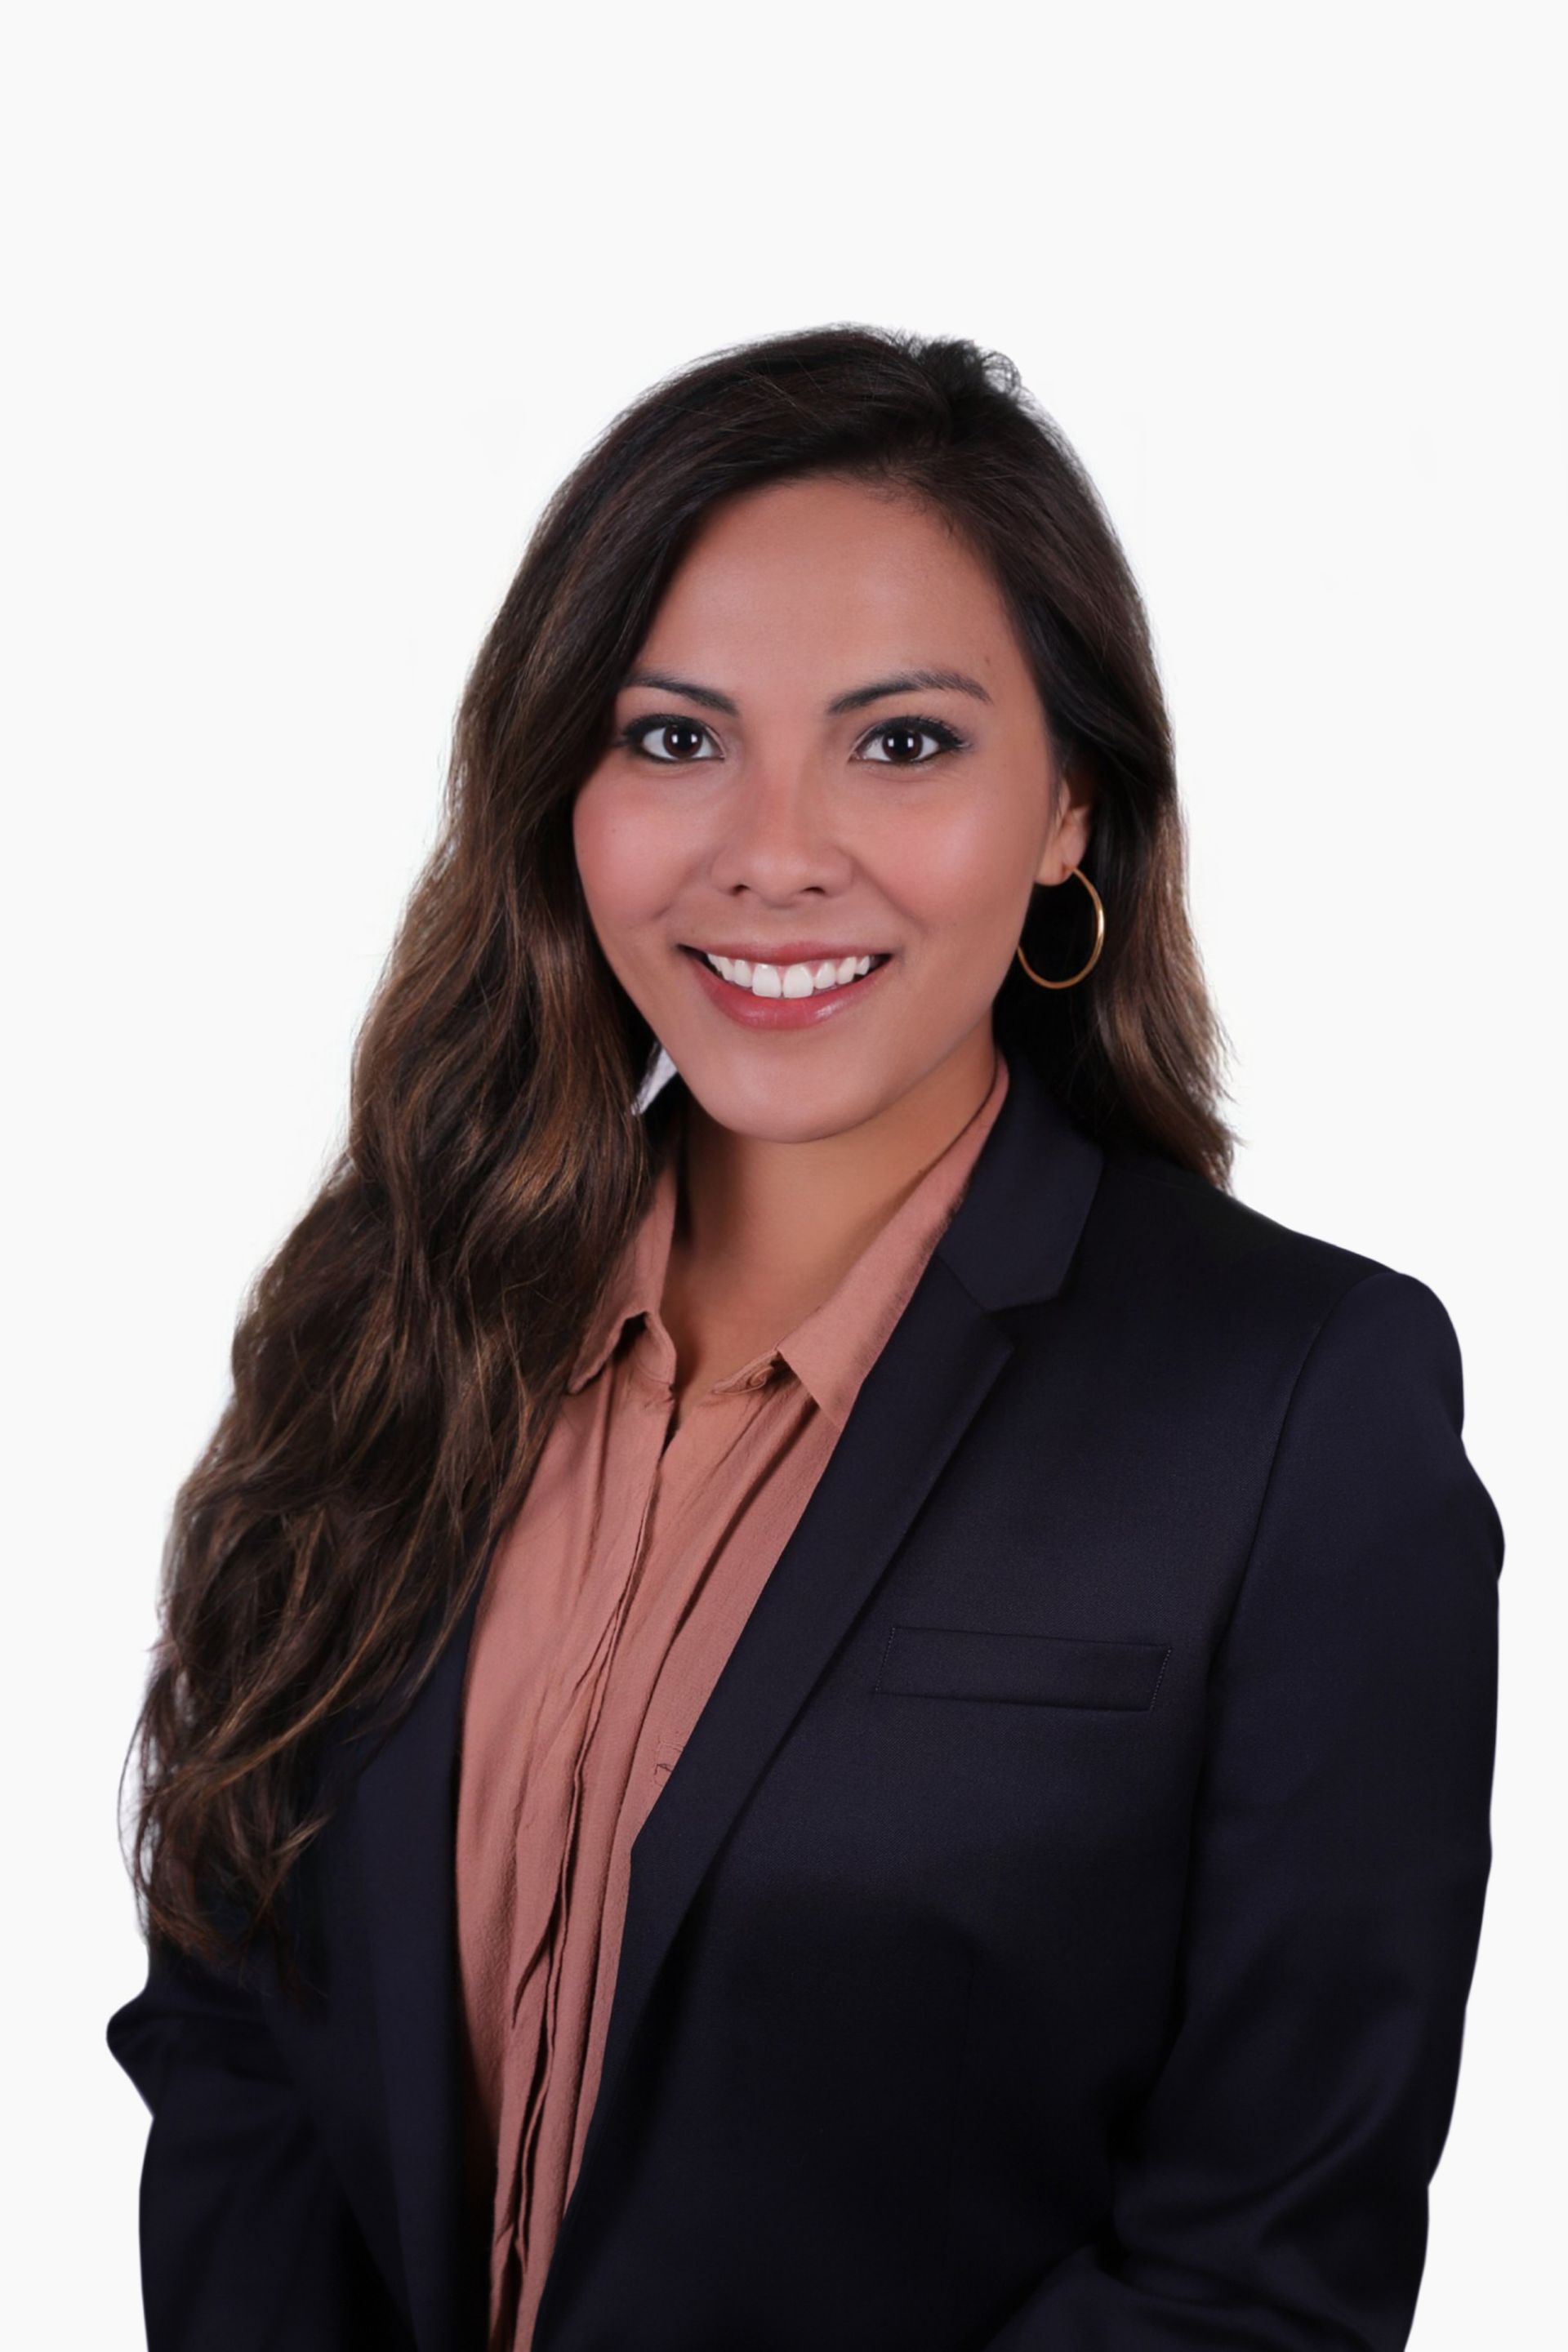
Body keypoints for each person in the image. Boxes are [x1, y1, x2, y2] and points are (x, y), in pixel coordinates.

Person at [108, 324, 1503, 2352]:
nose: (773, 846)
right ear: (557, 794)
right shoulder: (383, 1317)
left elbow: (1255, 2275)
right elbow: (236, 2026)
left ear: (1067, 818)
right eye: (675, 739)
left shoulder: (1299, 1406)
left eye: (904, 741)